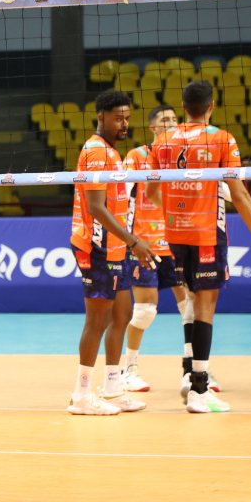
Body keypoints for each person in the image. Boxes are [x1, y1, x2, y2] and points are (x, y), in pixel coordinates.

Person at [151, 80, 251, 413]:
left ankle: (188, 374)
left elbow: (151, 192)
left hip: (174, 234)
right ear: (212, 106)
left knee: (191, 303)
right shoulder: (222, 138)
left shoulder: (162, 140)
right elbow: (239, 194)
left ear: (183, 106)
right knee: (205, 306)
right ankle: (199, 389)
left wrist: (175, 209)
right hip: (206, 233)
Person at [66, 91, 151, 416]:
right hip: (96, 245)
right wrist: (134, 241)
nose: (124, 123)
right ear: (101, 116)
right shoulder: (97, 151)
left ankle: (113, 386)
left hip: (115, 246)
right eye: (118, 118)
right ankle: (81, 394)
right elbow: (96, 207)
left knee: (122, 314)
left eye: (127, 117)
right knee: (97, 319)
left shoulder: (113, 151)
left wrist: (127, 242)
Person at [120, 105, 193, 393]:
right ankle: (129, 370)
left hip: (174, 241)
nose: (171, 123)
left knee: (189, 307)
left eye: (175, 119)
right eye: (165, 120)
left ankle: (194, 368)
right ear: (153, 128)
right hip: (144, 244)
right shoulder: (137, 156)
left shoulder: (183, 158)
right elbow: (121, 193)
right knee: (145, 312)